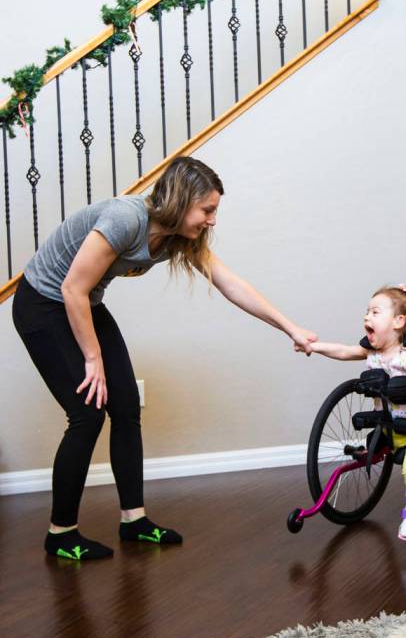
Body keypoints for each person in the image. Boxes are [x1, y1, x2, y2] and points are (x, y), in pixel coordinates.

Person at [12, 156, 317, 561]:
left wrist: (289, 327)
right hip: (43, 304)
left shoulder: (178, 239)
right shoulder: (125, 218)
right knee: (87, 413)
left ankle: (133, 519)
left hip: (82, 301)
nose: (212, 220)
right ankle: (61, 532)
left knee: (125, 406)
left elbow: (230, 284)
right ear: (181, 199)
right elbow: (70, 288)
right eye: (207, 210)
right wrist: (92, 357)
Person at [306, 280, 406, 541]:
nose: (367, 316)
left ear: (398, 321)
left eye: (375, 312)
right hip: (386, 428)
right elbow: (344, 351)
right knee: (385, 454)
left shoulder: (405, 356)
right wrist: (315, 346)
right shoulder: (372, 354)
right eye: (367, 312)